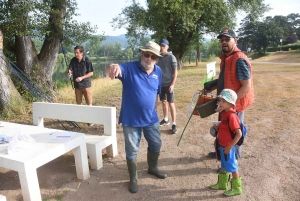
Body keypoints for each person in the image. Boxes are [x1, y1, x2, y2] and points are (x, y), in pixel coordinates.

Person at [107, 41, 167, 193]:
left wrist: (155, 107)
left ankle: (152, 167)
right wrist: (114, 66)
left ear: (157, 59)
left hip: (151, 118)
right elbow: (117, 68)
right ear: (141, 54)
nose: (149, 58)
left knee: (156, 144)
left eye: (153, 57)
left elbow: (156, 92)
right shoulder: (129, 68)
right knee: (132, 150)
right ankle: (133, 177)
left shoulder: (158, 71)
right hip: (131, 118)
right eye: (146, 54)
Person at [205, 29, 254, 160]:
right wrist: (211, 86)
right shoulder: (226, 58)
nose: (224, 42)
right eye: (222, 40)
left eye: (227, 39)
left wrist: (229, 104)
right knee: (223, 129)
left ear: (235, 40)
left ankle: (232, 160)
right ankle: (220, 152)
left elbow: (246, 86)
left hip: (234, 106)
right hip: (224, 104)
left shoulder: (239, 59)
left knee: (233, 132)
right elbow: (225, 79)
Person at [210, 89, 243, 196]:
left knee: (233, 167)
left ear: (231, 103)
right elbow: (225, 127)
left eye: (224, 101)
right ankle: (222, 184)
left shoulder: (231, 116)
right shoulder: (224, 113)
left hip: (228, 147)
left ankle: (237, 188)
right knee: (223, 166)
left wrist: (229, 147)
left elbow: (239, 134)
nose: (220, 103)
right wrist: (218, 127)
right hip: (222, 145)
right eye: (220, 100)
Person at [67, 46, 94, 126]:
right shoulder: (73, 60)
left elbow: (91, 73)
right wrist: (69, 72)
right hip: (77, 86)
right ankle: (81, 117)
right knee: (79, 103)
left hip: (86, 85)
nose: (76, 54)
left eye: (77, 53)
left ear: (82, 53)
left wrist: (81, 78)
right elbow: (70, 68)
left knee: (89, 104)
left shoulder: (87, 60)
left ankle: (90, 120)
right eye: (75, 53)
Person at [157, 39, 178, 134]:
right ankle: (166, 119)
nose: (162, 48)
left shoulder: (171, 57)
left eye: (163, 46)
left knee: (171, 103)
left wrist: (172, 84)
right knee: (163, 102)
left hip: (169, 84)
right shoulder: (158, 57)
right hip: (161, 85)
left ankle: (174, 124)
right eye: (160, 46)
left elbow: (175, 72)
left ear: (167, 47)